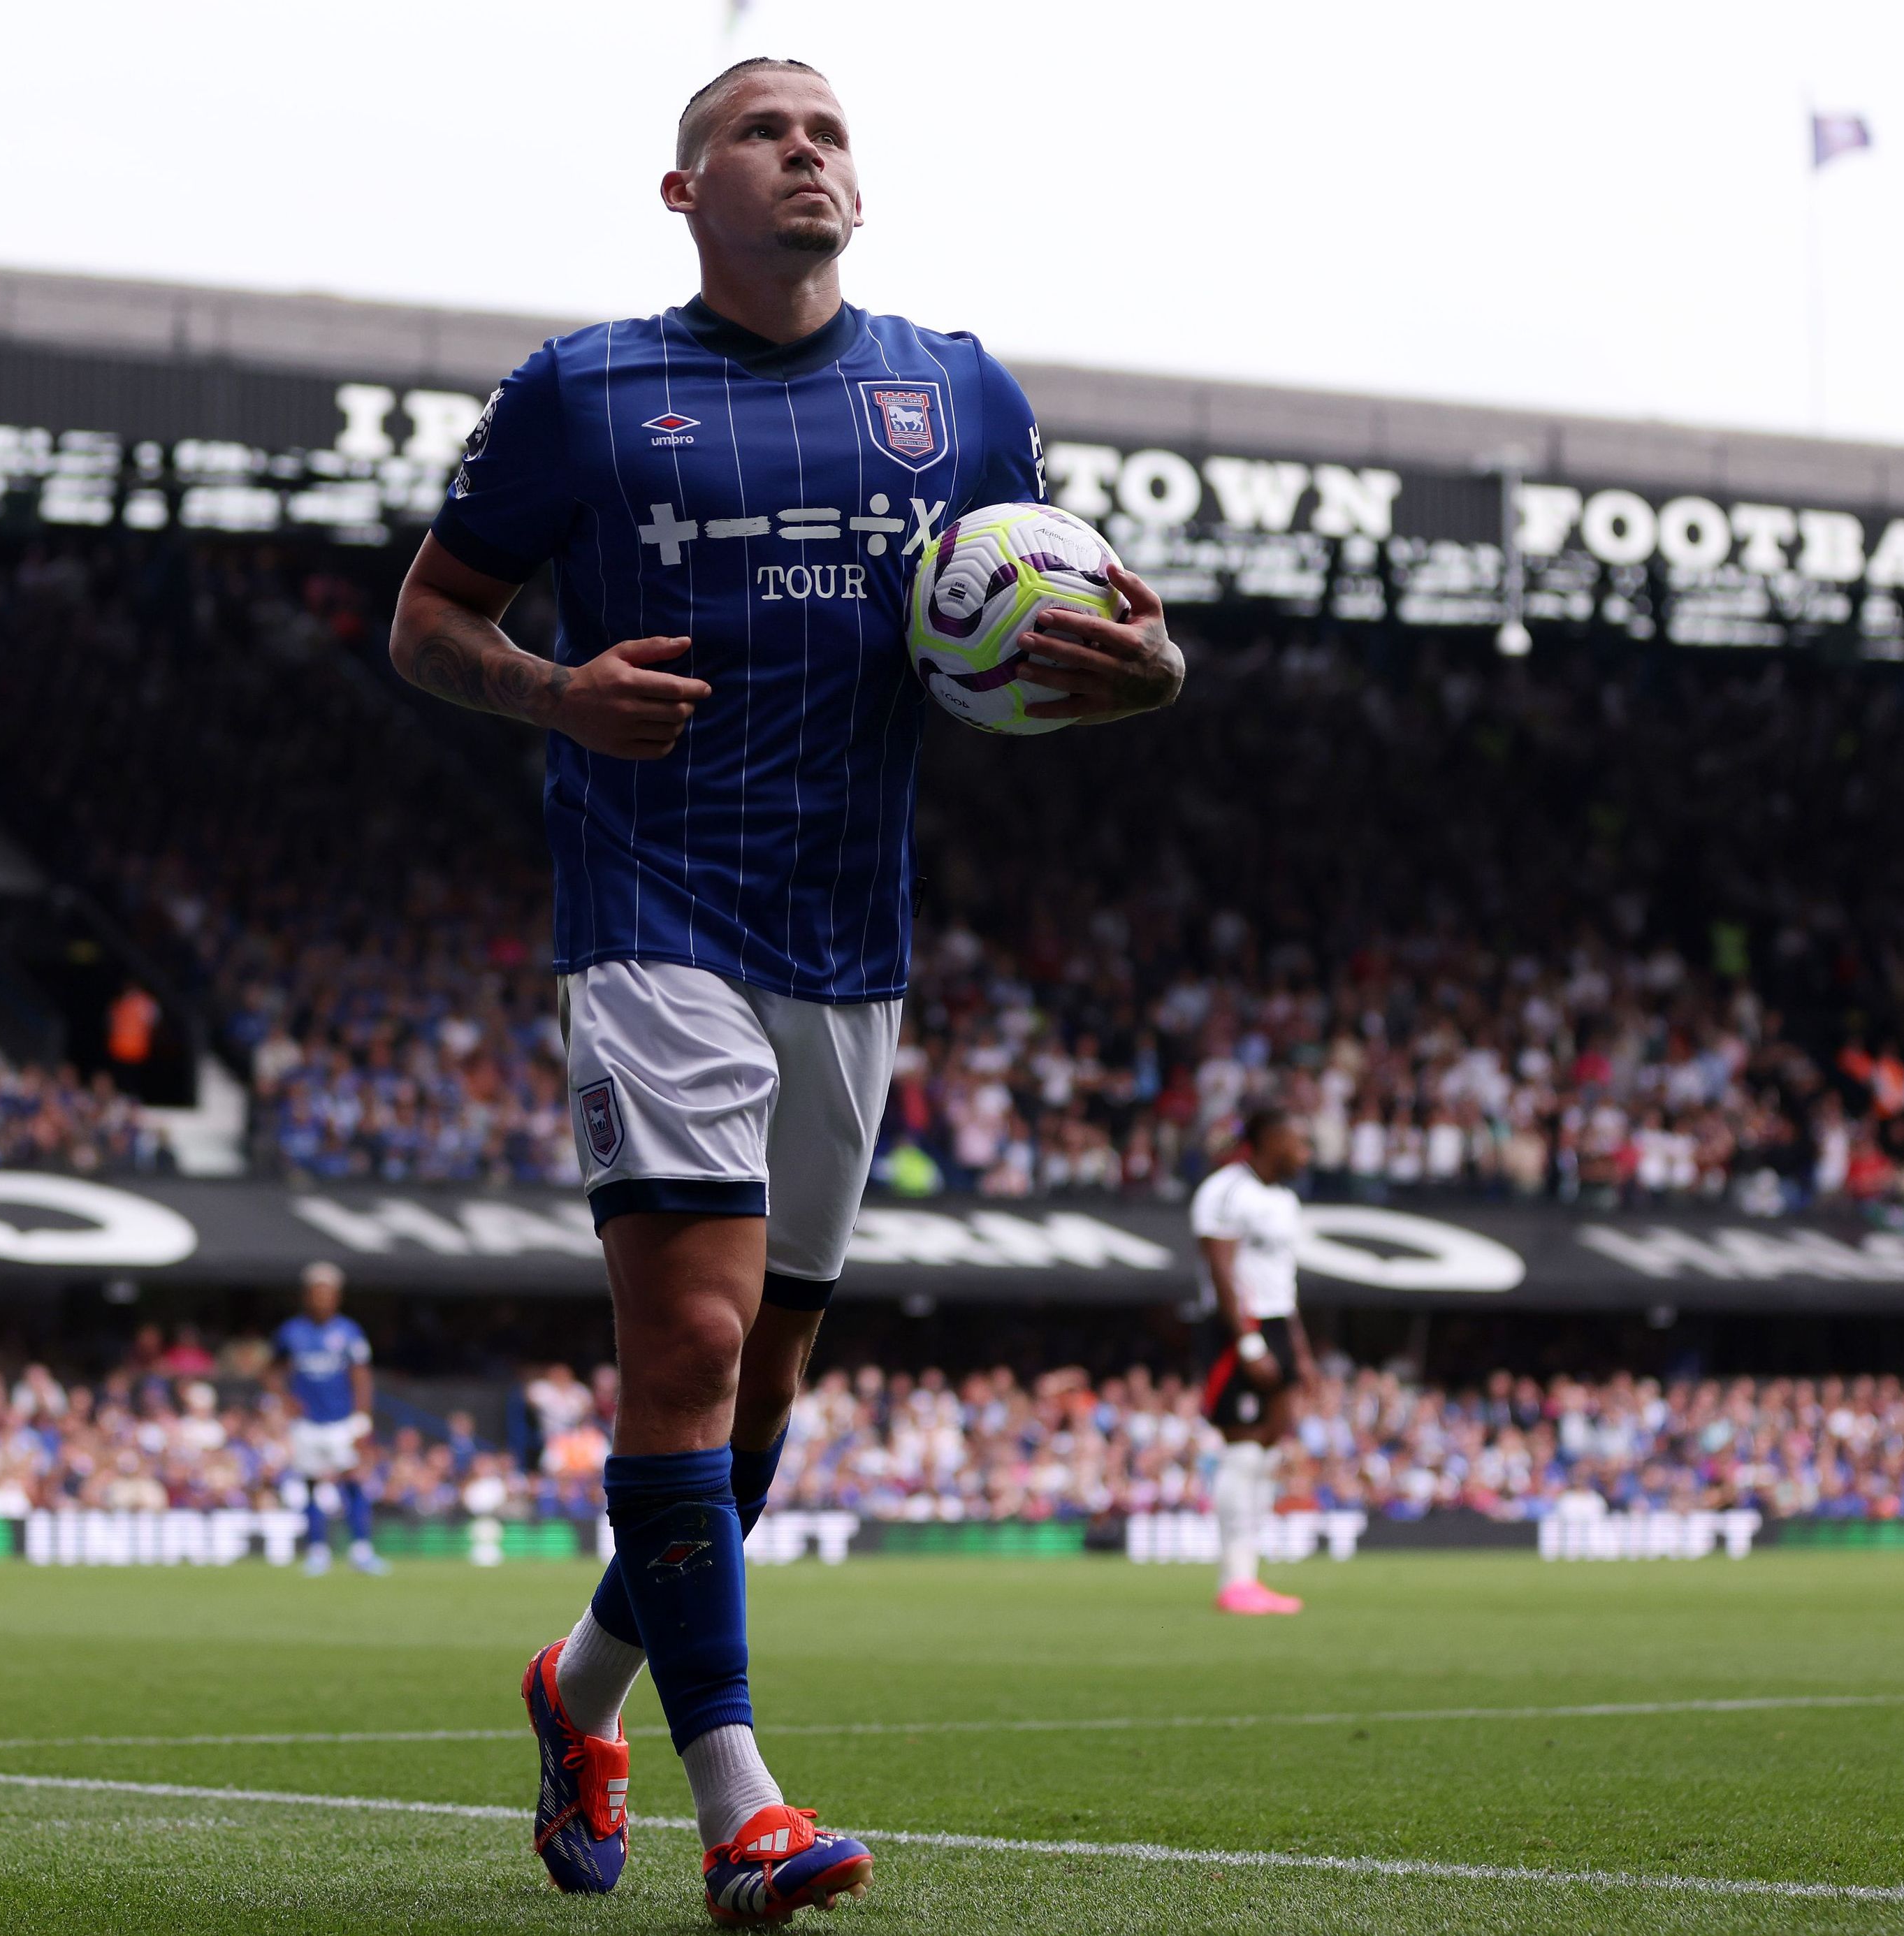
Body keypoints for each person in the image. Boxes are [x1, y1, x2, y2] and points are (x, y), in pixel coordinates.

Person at [384, 55, 1182, 1923]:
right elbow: (425, 618)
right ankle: (736, 1800)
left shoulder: (956, 395)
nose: (803, 150)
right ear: (685, 193)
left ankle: (577, 1685)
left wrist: (1148, 671)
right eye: (760, 130)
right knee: (684, 1337)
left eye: (825, 130)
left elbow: (1066, 611)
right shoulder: (583, 391)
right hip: (651, 905)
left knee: (756, 1391)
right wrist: (555, 692)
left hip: (848, 937)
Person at [1192, 1106, 1315, 1615]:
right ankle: (1235, 1580)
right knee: (1242, 1448)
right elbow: (1221, 1270)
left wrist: (1300, 1350)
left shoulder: (1285, 1200)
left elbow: (1284, 1278)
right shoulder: (1226, 1191)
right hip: (1237, 1328)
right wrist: (1247, 1342)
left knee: (1267, 1450)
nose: (1305, 1152)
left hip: (1277, 1322)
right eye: (1297, 1140)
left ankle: (1250, 1576)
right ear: (1269, 1139)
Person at [270, 1261, 383, 1577]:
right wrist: (286, 1398)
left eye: (328, 1293)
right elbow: (270, 1370)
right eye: (317, 1292)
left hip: (341, 1420)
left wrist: (362, 1418)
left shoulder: (348, 1332)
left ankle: (361, 1550)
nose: (323, 1299)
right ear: (307, 1295)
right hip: (307, 1424)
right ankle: (317, 1551)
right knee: (310, 1486)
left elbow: (361, 1376)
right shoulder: (292, 1332)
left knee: (353, 1482)